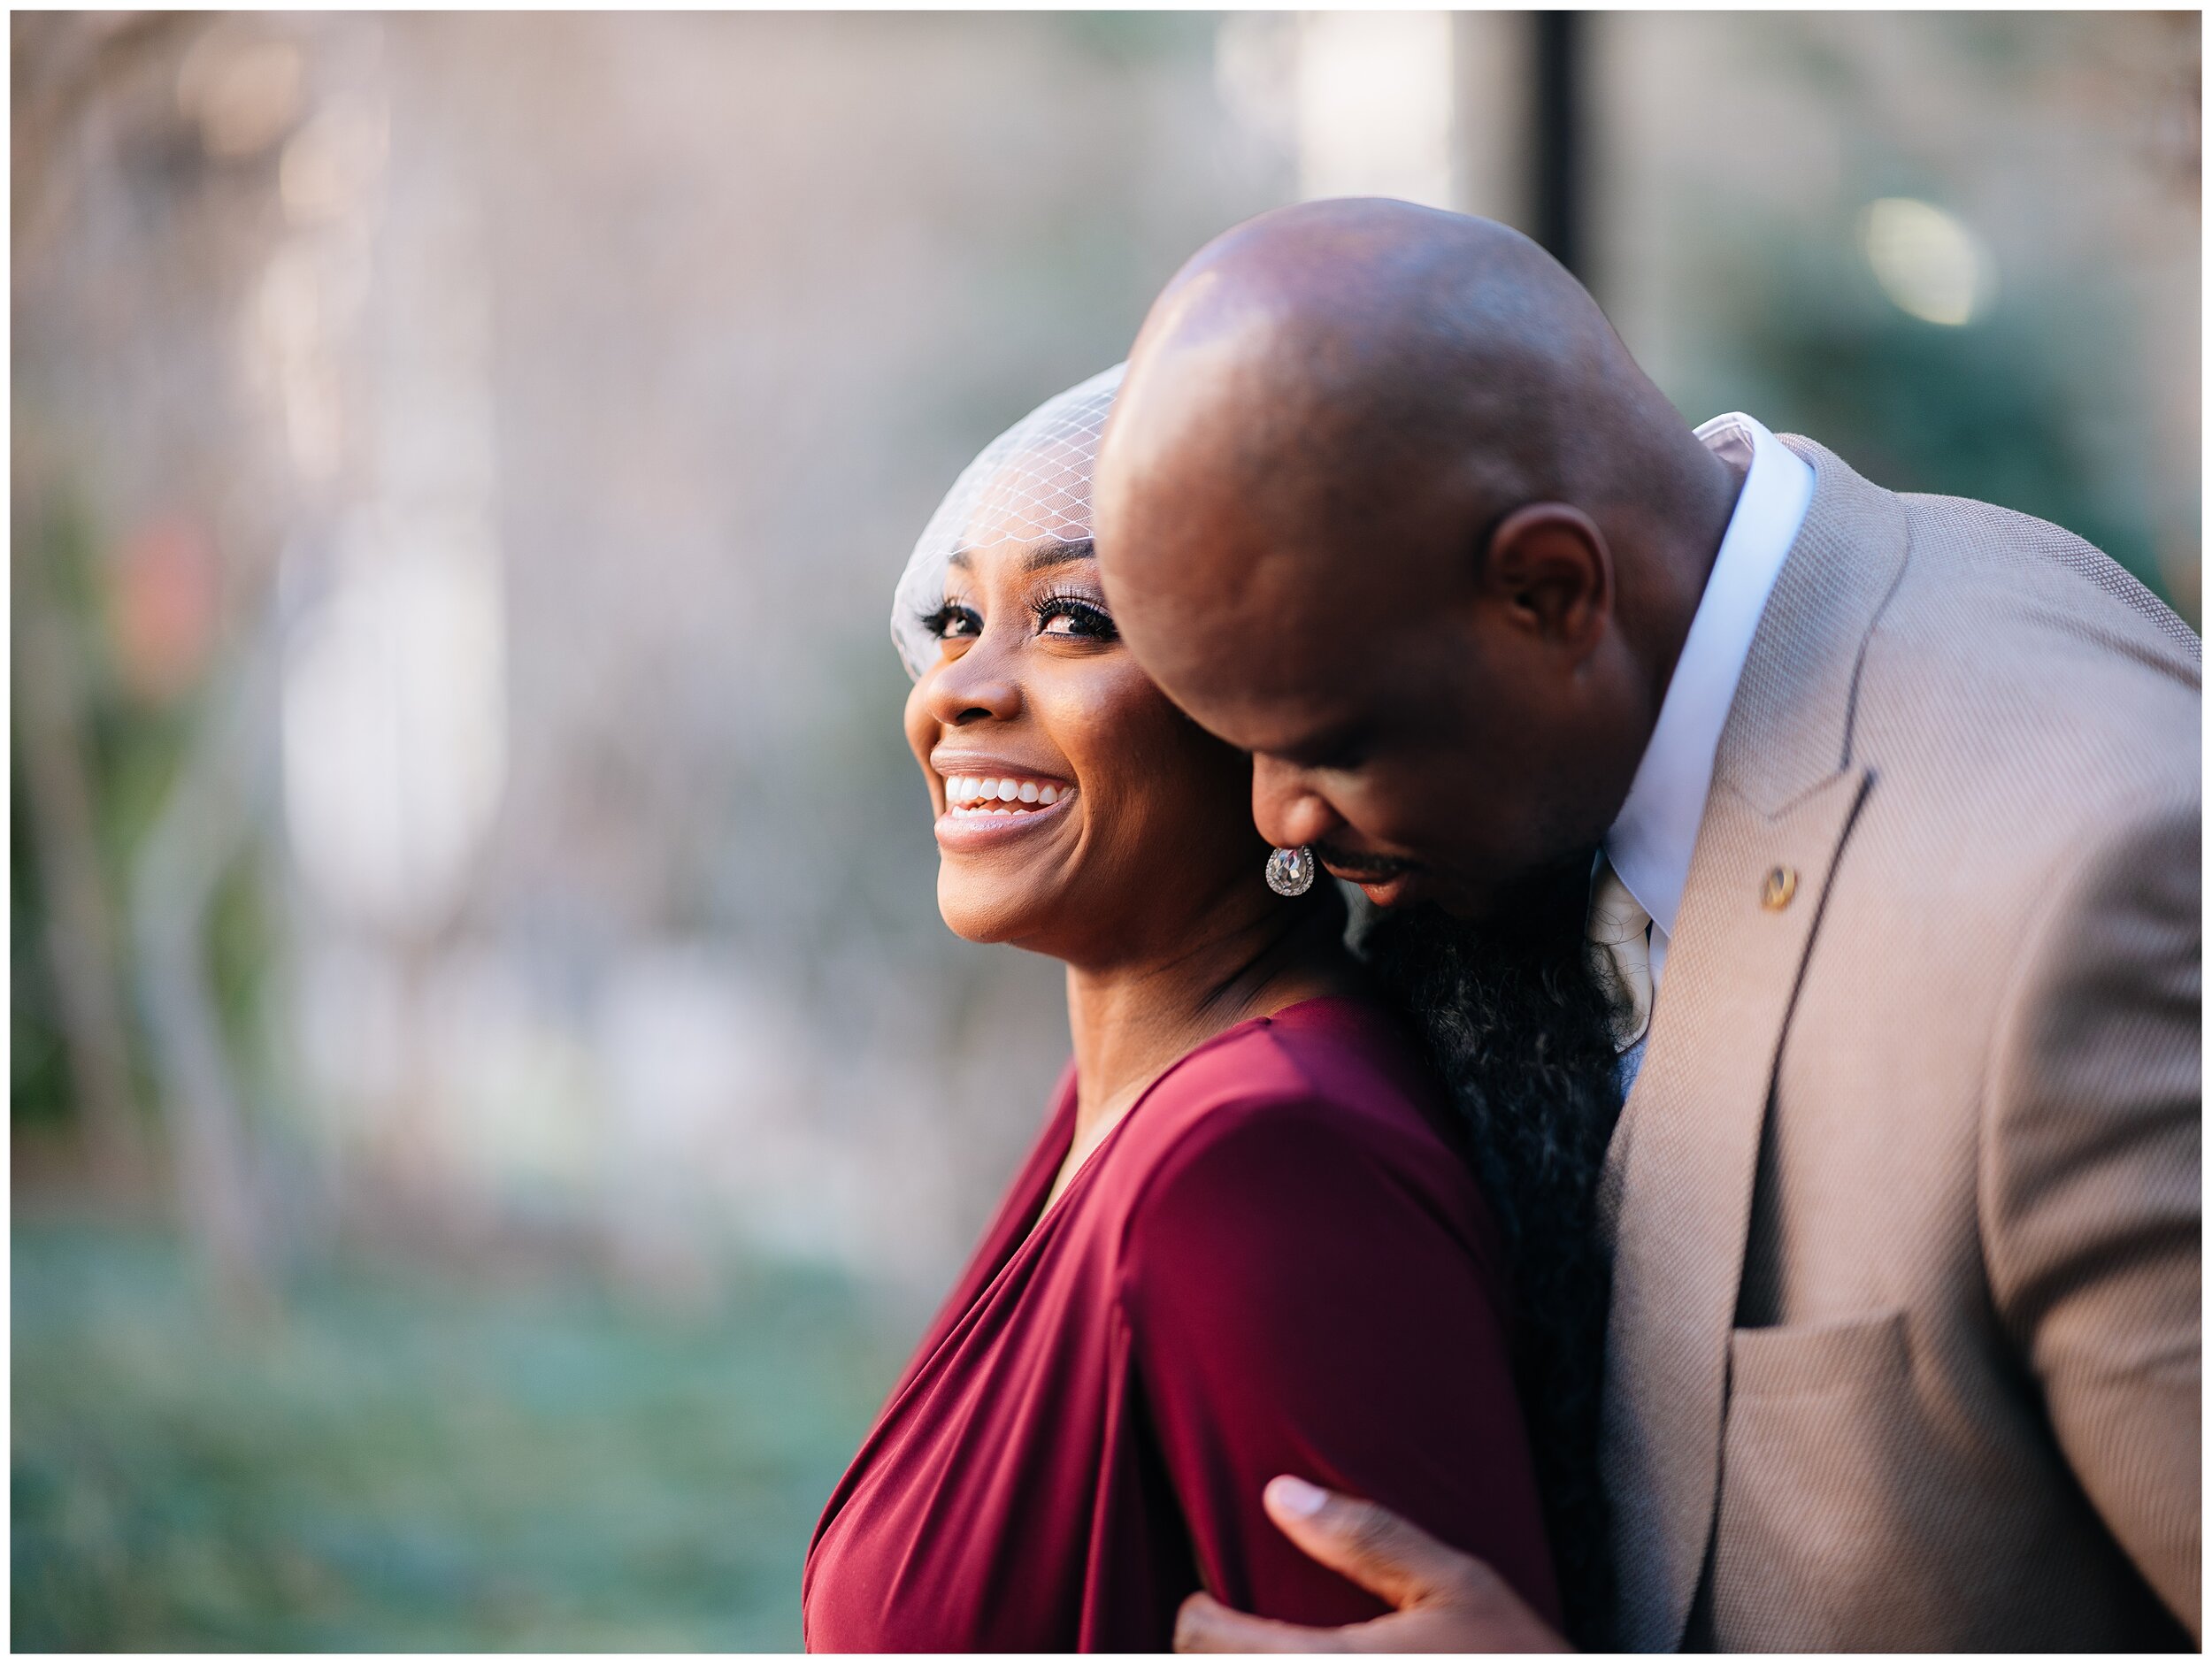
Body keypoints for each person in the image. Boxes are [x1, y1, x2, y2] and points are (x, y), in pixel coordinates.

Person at [1090, 199, 2201, 1652]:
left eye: (1329, 742)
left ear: (1550, 592)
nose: (1276, 819)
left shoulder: (2089, 892)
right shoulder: (1564, 795)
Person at [801, 367, 1600, 1651]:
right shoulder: (1119, 1105)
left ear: (1271, 721)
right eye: (955, 617)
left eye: (1070, 619)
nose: (958, 688)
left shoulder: (1263, 1163)